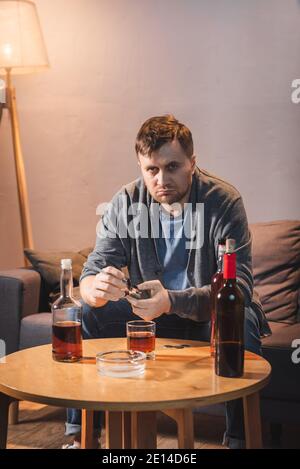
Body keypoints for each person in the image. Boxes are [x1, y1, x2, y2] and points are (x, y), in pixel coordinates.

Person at [63, 114, 270, 449]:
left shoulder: (224, 202)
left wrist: (172, 301)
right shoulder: (127, 201)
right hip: (149, 320)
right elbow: (91, 273)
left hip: (208, 320)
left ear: (192, 163)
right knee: (84, 314)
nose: (161, 179)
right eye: (152, 170)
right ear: (142, 167)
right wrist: (95, 290)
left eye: (172, 167)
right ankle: (81, 436)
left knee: (241, 320)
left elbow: (239, 289)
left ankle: (239, 440)